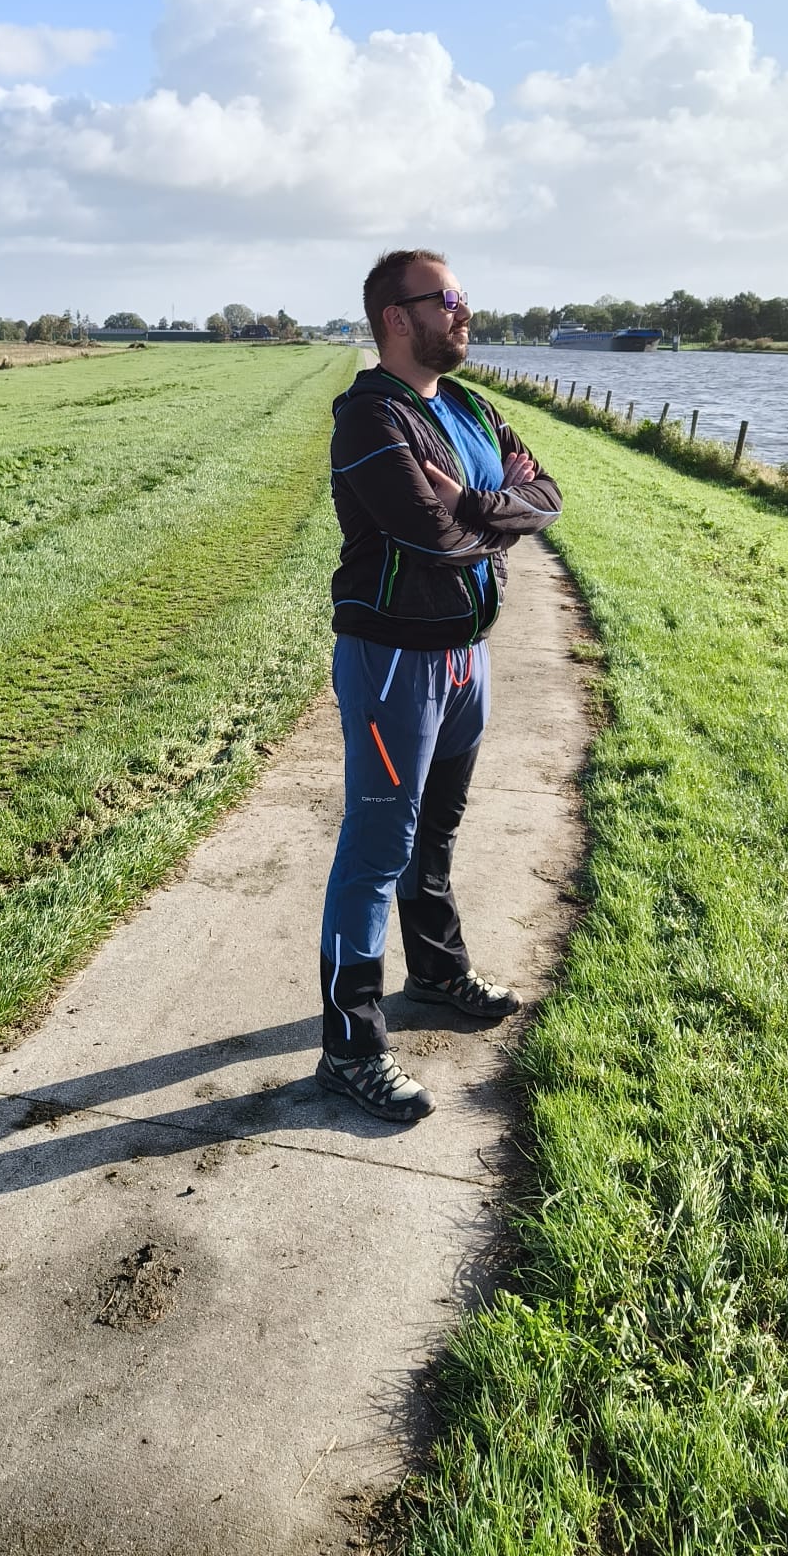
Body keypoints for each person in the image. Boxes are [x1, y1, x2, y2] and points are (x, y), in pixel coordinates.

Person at [316, 249, 563, 1123]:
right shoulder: (370, 419)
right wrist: (490, 519)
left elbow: (548, 496)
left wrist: (474, 506)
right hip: (394, 661)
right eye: (447, 298)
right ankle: (350, 1047)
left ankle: (436, 972)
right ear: (397, 316)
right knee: (377, 849)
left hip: (467, 657)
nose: (463, 311)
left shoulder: (468, 406)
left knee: (439, 830)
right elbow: (430, 539)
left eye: (461, 297)